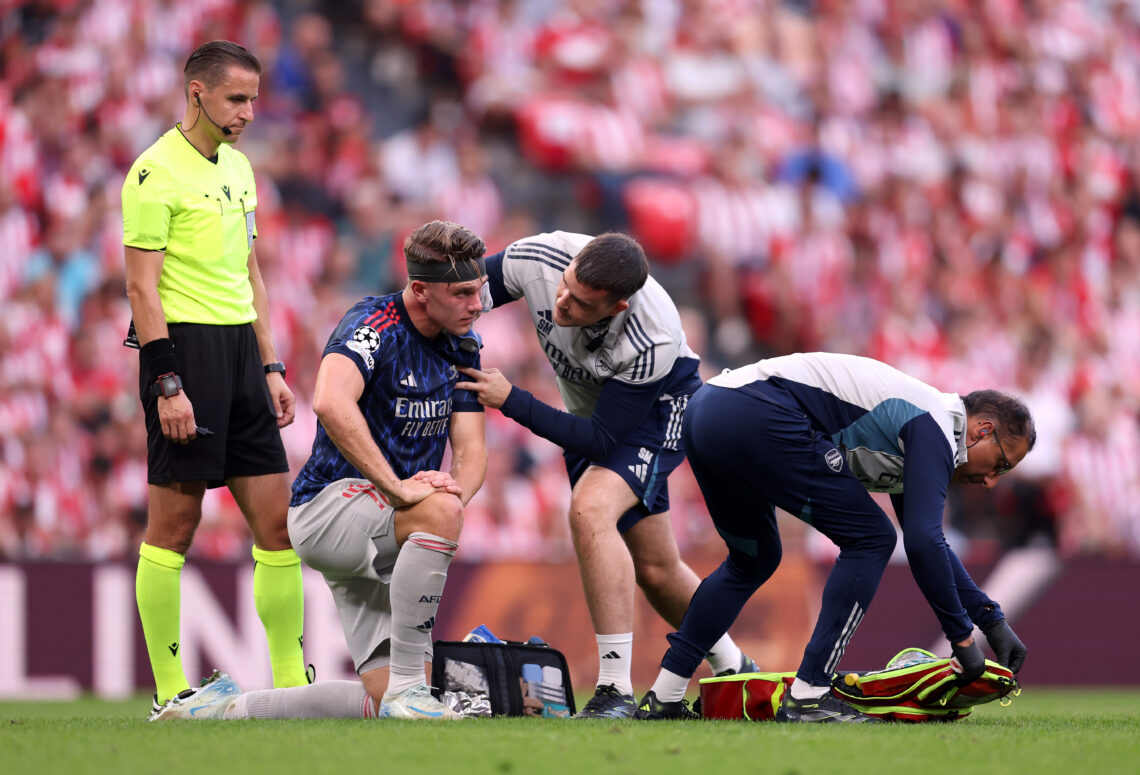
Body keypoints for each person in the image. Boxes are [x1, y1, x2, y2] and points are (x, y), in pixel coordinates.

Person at [151, 220, 489, 722]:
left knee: (378, 698)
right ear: (420, 290)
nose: (476, 304)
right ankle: (409, 691)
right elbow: (330, 402)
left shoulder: (462, 345)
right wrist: (402, 491)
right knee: (407, 687)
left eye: (478, 291)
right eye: (462, 293)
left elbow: (472, 449)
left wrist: (450, 495)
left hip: (388, 524)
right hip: (328, 508)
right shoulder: (373, 326)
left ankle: (220, 712)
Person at [630, 352, 1033, 722]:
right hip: (753, 410)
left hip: (709, 410)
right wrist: (962, 640)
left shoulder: (924, 423)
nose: (991, 481)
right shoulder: (937, 425)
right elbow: (923, 543)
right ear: (981, 430)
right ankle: (809, 694)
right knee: (871, 538)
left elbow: (930, 543)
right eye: (1000, 464)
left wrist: (990, 619)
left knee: (752, 560)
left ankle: (664, 696)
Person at [455, 231, 752, 719]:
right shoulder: (540, 258)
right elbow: (460, 293)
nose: (562, 304)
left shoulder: (652, 333)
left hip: (657, 409)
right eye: (565, 287)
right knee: (656, 569)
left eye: (581, 303)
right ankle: (738, 668)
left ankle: (614, 689)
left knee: (590, 508)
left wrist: (513, 400)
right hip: (586, 411)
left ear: (615, 307)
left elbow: (600, 441)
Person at [122, 40, 308, 719]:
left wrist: (271, 364)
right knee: (174, 524)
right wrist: (167, 383)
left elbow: (250, 274)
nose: (249, 112)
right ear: (195, 93)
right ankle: (171, 691)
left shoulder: (238, 167)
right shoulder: (152, 174)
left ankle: (291, 685)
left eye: (254, 99)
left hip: (240, 355)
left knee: (277, 524)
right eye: (237, 99)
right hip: (185, 350)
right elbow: (141, 289)